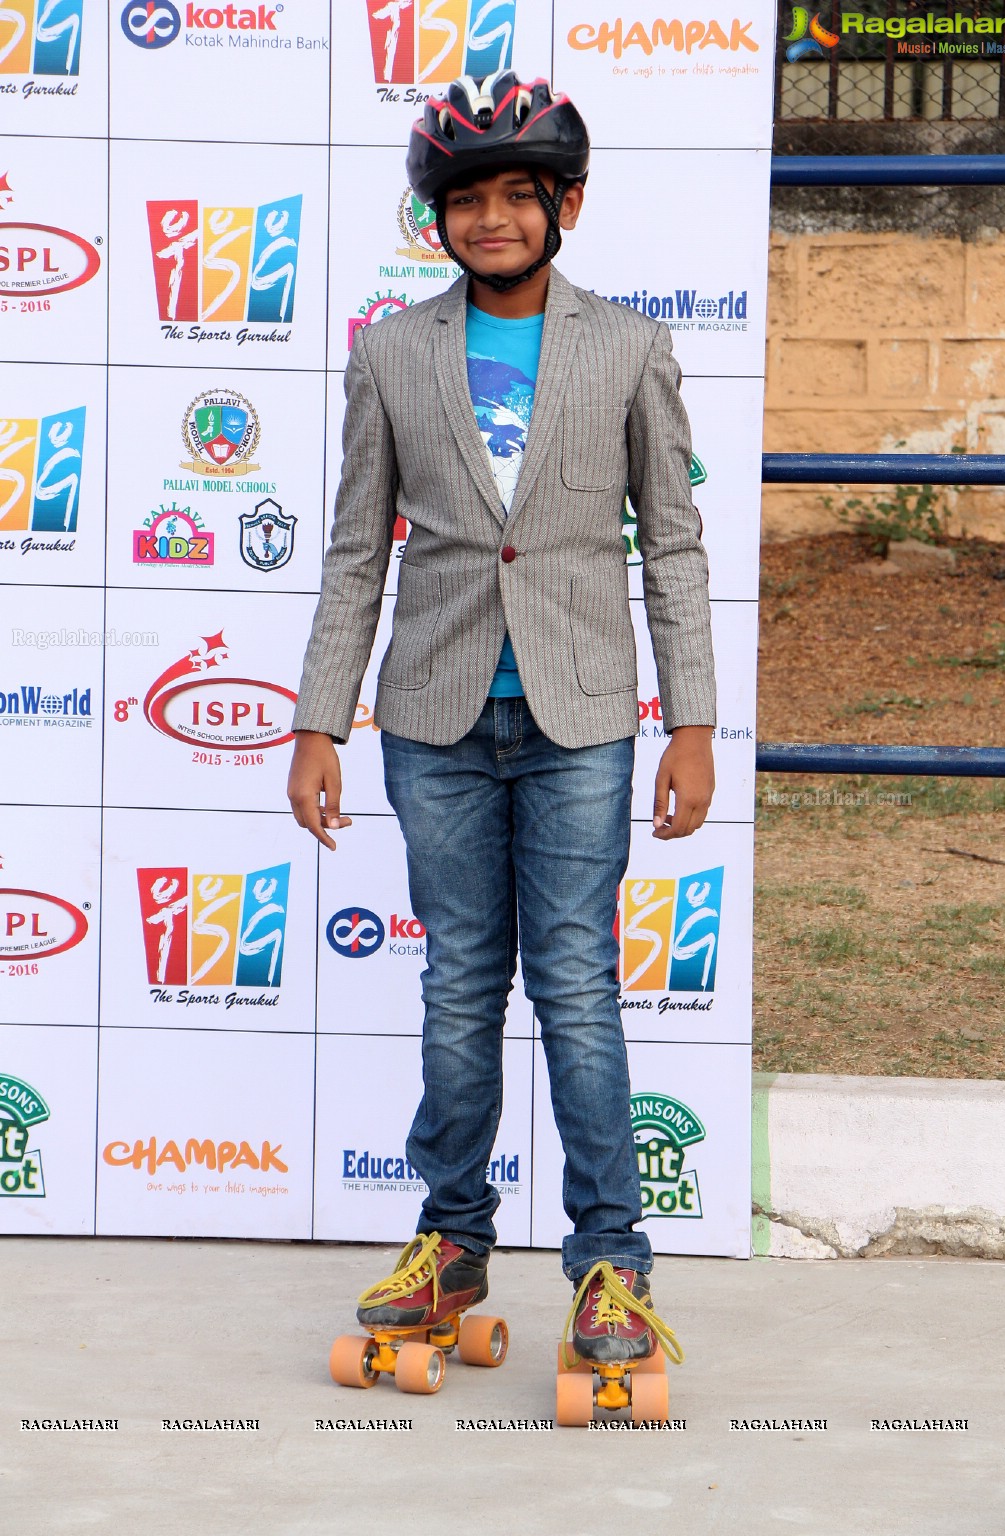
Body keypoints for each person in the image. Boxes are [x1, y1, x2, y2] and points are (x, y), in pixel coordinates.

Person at [288, 70, 716, 1370]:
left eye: (517, 195)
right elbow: (358, 551)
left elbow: (677, 548)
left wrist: (692, 720)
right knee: (462, 982)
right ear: (437, 218)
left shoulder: (630, 345)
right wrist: (320, 719)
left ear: (565, 206)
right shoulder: (392, 351)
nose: (490, 219)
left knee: (577, 984)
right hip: (436, 718)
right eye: (464, 198)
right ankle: (452, 1243)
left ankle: (612, 1267)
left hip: (583, 717)